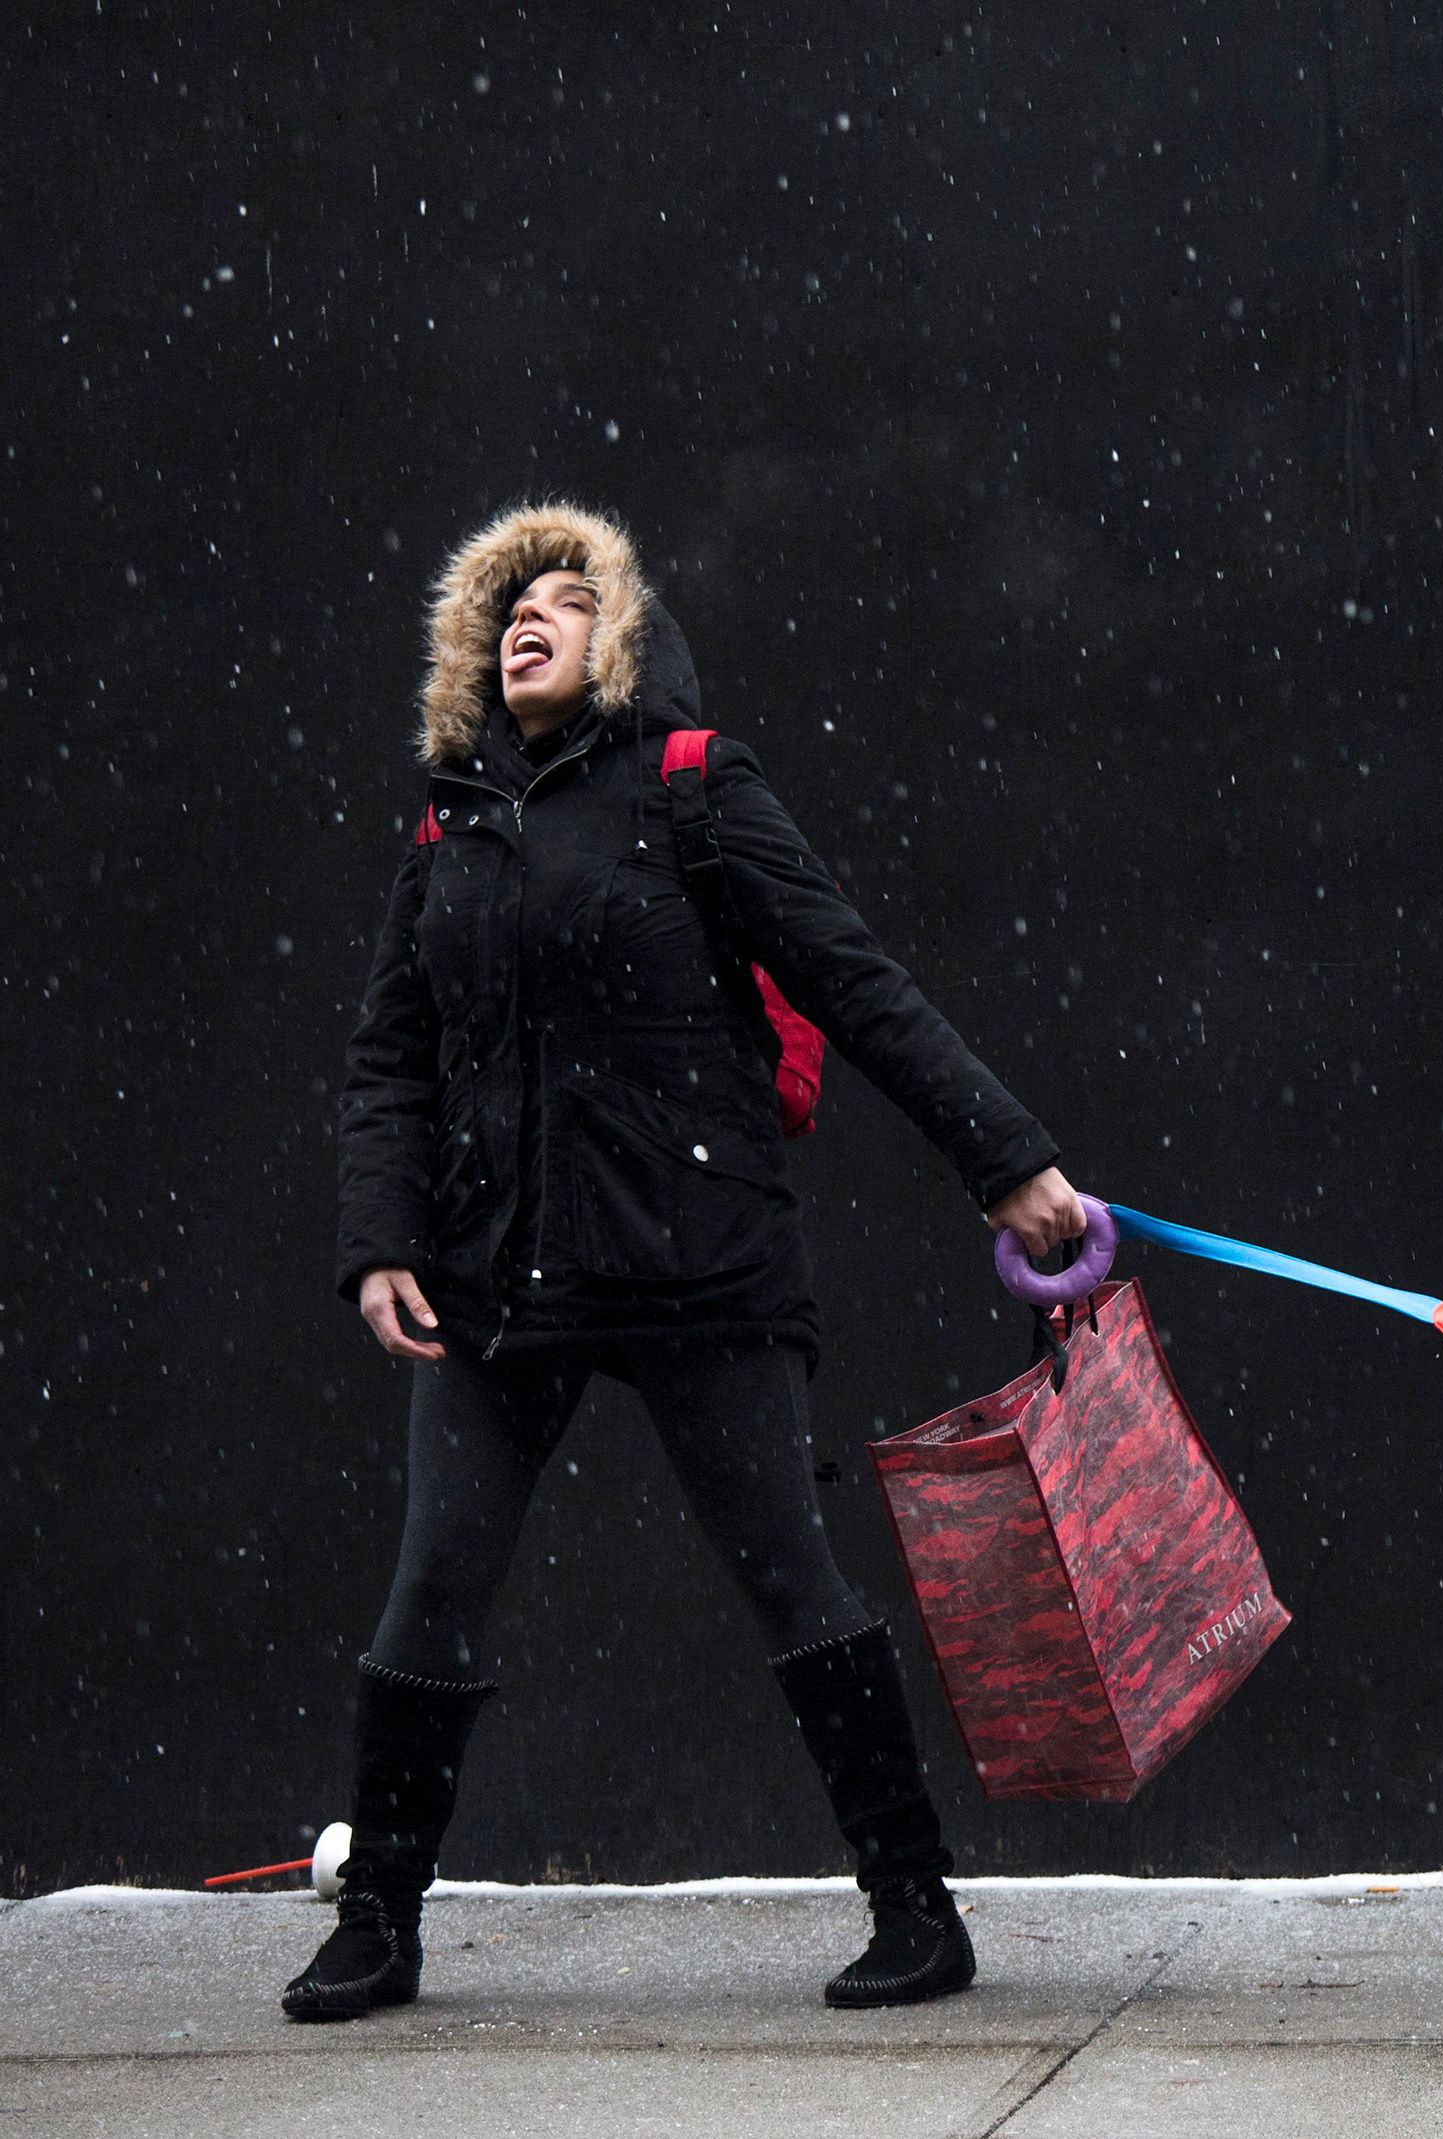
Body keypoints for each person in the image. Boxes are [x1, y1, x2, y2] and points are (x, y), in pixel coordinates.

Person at [299, 503, 1087, 2023]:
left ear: (629, 640)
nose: (530, 613)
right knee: (433, 1587)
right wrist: (379, 1242)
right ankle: (377, 1921)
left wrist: (1011, 1163)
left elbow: (853, 979)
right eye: (507, 603)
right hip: (495, 1275)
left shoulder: (689, 786)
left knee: (793, 1575)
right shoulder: (445, 824)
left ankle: (916, 1908)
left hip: (696, 1260)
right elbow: (390, 1059)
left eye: (568, 597)